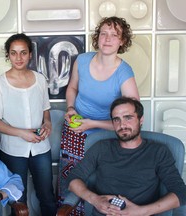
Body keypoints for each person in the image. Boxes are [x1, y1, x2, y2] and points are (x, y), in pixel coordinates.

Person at [57, 16, 140, 214]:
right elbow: (72, 88)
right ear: (98, 37)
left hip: (106, 134)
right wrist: (70, 109)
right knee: (71, 179)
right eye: (104, 33)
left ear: (122, 41)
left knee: (100, 181)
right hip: (76, 130)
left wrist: (92, 123)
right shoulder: (83, 60)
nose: (108, 38)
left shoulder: (124, 72)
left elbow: (131, 120)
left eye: (114, 35)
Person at [66, 97, 186, 216]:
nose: (122, 125)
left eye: (128, 118)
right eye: (116, 119)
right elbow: (73, 179)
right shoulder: (101, 148)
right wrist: (95, 200)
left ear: (141, 119)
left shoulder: (158, 151)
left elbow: (180, 193)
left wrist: (140, 211)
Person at [0, 33, 57, 216]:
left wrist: (48, 123)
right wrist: (21, 133)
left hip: (41, 147)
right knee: (18, 200)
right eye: (14, 53)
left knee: (47, 196)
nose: (18, 58)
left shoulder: (40, 79)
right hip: (12, 150)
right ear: (8, 55)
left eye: (23, 53)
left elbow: (45, 111)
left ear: (30, 55)